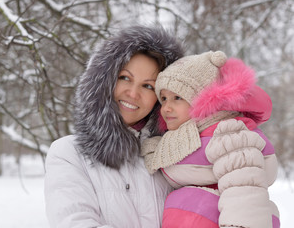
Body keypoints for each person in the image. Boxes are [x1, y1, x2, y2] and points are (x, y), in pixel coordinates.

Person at [44, 24, 184, 228]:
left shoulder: (174, 156)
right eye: (125, 78)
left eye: (147, 86)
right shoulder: (68, 153)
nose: (133, 93)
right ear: (104, 81)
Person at [141, 51, 280, 228]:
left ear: (201, 99)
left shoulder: (227, 131)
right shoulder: (189, 135)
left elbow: (245, 186)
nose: (166, 108)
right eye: (164, 99)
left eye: (177, 98)